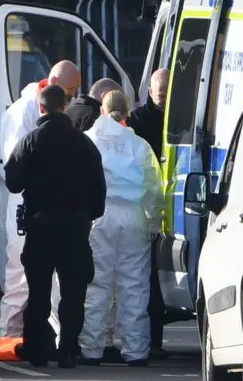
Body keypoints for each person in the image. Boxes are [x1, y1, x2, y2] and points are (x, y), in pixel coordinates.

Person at [3, 85, 106, 368]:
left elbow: (13, 182)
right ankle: (68, 350)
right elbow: (99, 191)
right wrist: (87, 214)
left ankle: (37, 350)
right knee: (73, 292)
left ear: (41, 107)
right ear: (65, 105)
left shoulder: (30, 141)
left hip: (39, 227)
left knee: (38, 292)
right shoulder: (84, 144)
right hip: (75, 228)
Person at [0, 60, 82, 342]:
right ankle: (12, 336)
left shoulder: (32, 110)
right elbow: (18, 163)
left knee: (36, 276)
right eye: (70, 90)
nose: (72, 97)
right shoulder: (25, 111)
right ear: (55, 82)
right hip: (27, 203)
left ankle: (35, 338)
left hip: (36, 204)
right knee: (22, 275)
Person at [80, 90, 164, 367]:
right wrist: (153, 222)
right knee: (134, 286)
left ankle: (91, 349)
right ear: (127, 113)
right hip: (133, 216)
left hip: (97, 217)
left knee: (97, 284)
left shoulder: (88, 141)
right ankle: (136, 350)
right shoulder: (139, 145)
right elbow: (154, 187)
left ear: (102, 111)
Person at [126, 68, 169, 359]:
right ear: (151, 92)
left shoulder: (182, 117)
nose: (164, 99)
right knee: (145, 278)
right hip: (144, 204)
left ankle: (150, 342)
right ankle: (150, 344)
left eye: (168, 93)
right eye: (160, 93)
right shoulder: (139, 121)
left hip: (175, 197)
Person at [126, 68, 169, 161]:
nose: (166, 100)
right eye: (161, 96)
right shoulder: (137, 119)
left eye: (169, 95)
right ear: (151, 92)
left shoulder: (184, 119)